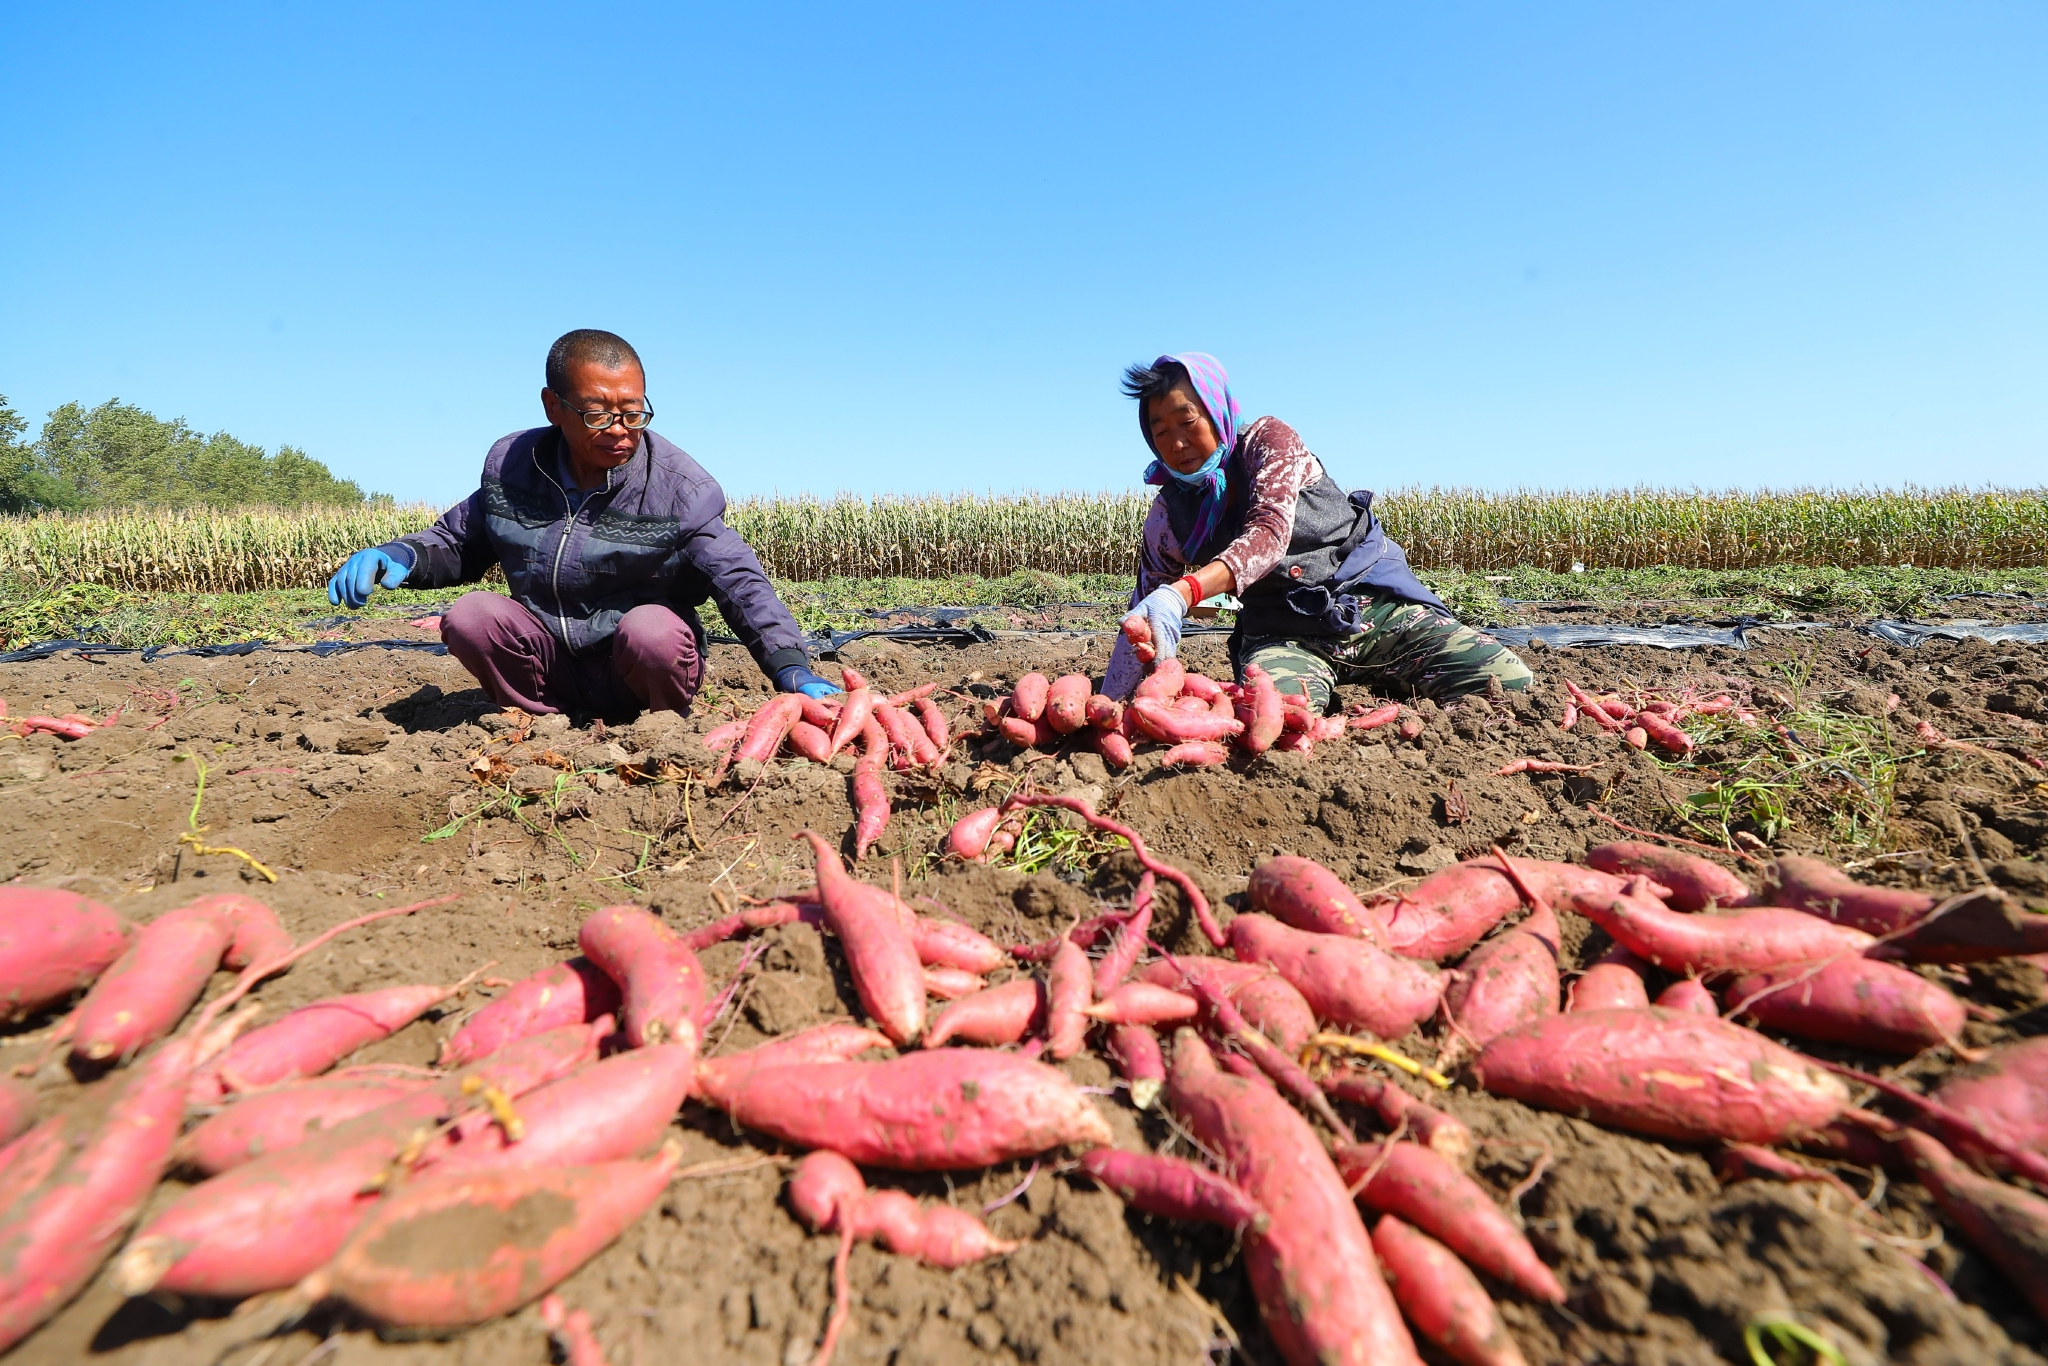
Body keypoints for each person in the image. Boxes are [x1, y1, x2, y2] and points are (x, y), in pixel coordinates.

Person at [325, 329, 838, 717]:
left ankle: (659, 728)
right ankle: (538, 721)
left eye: (633, 413)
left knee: (653, 630)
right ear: (554, 406)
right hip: (549, 664)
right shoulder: (513, 468)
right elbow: (458, 540)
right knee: (472, 615)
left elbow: (738, 578)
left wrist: (789, 664)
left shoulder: (679, 488)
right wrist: (401, 555)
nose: (620, 430)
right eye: (597, 414)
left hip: (634, 670)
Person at [1105, 352, 1531, 709]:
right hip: (1282, 635)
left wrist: (1184, 592)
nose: (1177, 443)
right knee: (1272, 719)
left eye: (1187, 421)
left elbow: (1268, 535)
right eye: (1160, 432)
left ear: (1217, 411)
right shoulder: (1168, 515)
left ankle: (1394, 675)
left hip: (1373, 610)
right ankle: (1375, 681)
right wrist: (1114, 701)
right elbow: (1142, 610)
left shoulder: (1267, 441)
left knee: (1510, 684)